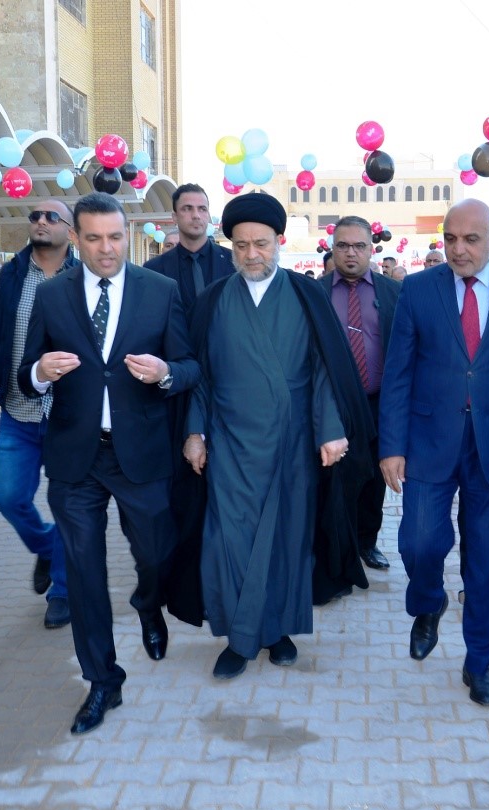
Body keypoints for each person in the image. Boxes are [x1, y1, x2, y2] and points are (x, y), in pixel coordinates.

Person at [18, 192, 200, 735]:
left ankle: (148, 601)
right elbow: (24, 372)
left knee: (156, 553)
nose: (106, 248)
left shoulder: (160, 291)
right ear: (76, 238)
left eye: (115, 237)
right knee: (84, 573)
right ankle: (103, 680)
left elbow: (190, 366)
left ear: (128, 236)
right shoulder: (52, 295)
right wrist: (41, 372)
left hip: (141, 455)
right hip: (76, 459)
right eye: (94, 238)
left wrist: (165, 373)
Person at [379, 198, 489, 706]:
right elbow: (398, 373)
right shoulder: (419, 290)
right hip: (428, 441)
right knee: (418, 542)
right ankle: (428, 601)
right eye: (451, 239)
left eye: (471, 239)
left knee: (487, 559)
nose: (459, 249)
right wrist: (391, 446)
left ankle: (479, 661)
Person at [183, 192, 371, 680]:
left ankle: (278, 630)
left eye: (261, 244)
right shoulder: (213, 300)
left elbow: (325, 369)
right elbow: (199, 375)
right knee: (230, 540)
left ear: (279, 241)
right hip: (230, 443)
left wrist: (331, 430)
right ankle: (239, 637)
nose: (252, 254)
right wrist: (194, 432)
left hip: (292, 443)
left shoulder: (306, 295)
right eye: (241, 245)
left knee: (287, 540)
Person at [143, 184, 237, 625]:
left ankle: (224, 578)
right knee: (181, 494)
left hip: (228, 390)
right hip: (173, 396)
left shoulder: (233, 262)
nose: (196, 215)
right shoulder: (154, 272)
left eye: (202, 208)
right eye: (187, 209)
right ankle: (182, 585)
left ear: (210, 215)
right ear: (175, 216)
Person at [0, 201, 79, 628]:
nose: (41, 221)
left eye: (52, 217)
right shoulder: (7, 276)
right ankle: (46, 546)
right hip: (19, 411)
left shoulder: (85, 277)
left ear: (71, 231)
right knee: (8, 496)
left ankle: (62, 590)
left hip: (69, 416)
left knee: (67, 505)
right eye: (36, 216)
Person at [311, 215, 402, 600]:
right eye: (344, 246)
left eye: (359, 246)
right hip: (331, 405)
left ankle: (367, 541)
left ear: (371, 249)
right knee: (335, 481)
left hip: (380, 403)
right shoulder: (313, 293)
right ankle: (337, 550)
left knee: (374, 479)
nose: (351, 253)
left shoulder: (393, 293)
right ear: (333, 249)